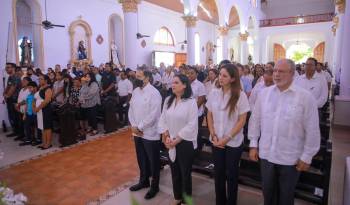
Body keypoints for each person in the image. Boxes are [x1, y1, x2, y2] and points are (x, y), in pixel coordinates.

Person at [248, 59, 321, 205]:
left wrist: (307, 156)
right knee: (268, 194)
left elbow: (312, 129)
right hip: (267, 154)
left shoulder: (305, 97)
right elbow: (255, 120)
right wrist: (253, 144)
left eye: (281, 71)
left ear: (293, 74)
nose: (276, 74)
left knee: (286, 197)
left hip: (290, 158)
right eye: (274, 71)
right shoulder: (264, 94)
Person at [206, 64, 250, 205]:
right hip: (216, 140)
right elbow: (209, 114)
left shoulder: (240, 95)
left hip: (233, 142)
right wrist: (212, 133)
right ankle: (220, 201)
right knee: (218, 174)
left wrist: (227, 138)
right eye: (220, 75)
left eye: (224, 76)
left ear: (232, 79)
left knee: (231, 175)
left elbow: (242, 120)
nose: (220, 78)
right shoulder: (214, 93)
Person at [158, 74, 198, 205]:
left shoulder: (191, 102)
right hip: (170, 141)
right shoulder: (168, 100)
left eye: (176, 82)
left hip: (185, 142)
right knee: (174, 171)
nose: (172, 85)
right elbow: (162, 119)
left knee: (185, 174)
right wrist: (166, 135)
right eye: (172, 82)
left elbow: (192, 124)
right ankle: (177, 197)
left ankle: (187, 201)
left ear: (184, 85)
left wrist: (177, 139)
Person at [128, 68, 162, 200]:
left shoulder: (154, 93)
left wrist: (140, 126)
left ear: (147, 77)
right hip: (137, 131)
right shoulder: (136, 91)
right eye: (136, 76)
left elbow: (154, 115)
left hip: (150, 132)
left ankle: (155, 186)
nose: (136, 78)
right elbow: (131, 109)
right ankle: (144, 181)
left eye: (139, 76)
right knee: (141, 158)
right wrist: (134, 125)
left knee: (153, 161)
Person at [186, 66, 206, 151]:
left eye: (192, 73)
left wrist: (193, 110)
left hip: (197, 112)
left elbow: (201, 99)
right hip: (186, 112)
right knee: (188, 130)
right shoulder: (186, 84)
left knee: (196, 132)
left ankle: (198, 149)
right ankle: (190, 148)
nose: (189, 75)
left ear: (196, 74)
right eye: (188, 73)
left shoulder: (200, 85)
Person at [34, 74, 53, 149]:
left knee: (47, 127)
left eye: (41, 79)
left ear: (46, 80)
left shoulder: (48, 89)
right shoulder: (40, 88)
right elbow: (36, 98)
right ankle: (44, 142)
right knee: (42, 127)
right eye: (39, 79)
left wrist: (38, 108)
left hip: (45, 110)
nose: (39, 80)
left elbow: (46, 101)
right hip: (39, 110)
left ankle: (48, 143)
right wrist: (34, 107)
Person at [3, 63, 22, 138]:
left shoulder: (16, 77)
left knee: (16, 117)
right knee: (11, 116)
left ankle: (20, 133)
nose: (7, 69)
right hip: (10, 100)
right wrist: (4, 94)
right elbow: (8, 87)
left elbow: (13, 88)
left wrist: (7, 95)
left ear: (13, 68)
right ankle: (15, 131)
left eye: (8, 67)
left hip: (15, 100)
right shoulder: (10, 77)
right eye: (6, 68)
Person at [20, 81, 38, 146]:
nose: (29, 89)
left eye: (30, 88)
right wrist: (25, 114)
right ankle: (28, 139)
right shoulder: (29, 95)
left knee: (36, 127)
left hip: (35, 114)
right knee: (26, 126)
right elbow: (26, 105)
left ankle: (37, 139)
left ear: (35, 87)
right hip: (28, 113)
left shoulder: (37, 95)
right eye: (29, 88)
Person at [15, 77, 32, 141]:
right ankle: (22, 135)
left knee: (27, 124)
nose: (22, 82)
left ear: (28, 82)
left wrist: (18, 104)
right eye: (22, 81)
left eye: (24, 81)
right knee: (21, 123)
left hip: (26, 109)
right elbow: (19, 98)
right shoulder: (22, 89)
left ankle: (28, 137)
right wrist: (17, 105)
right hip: (20, 109)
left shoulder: (29, 90)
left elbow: (26, 100)